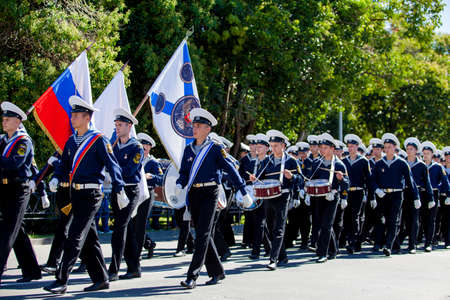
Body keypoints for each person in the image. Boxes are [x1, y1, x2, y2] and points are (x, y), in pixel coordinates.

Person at [44, 96, 125, 294]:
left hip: (91, 194)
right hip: (75, 193)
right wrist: (56, 177)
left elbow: (112, 165)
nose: (72, 118)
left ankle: (62, 279)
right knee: (89, 240)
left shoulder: (98, 140)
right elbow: (64, 165)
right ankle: (101, 278)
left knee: (74, 235)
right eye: (72, 115)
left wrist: (119, 188)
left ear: (87, 117)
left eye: (76, 116)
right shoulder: (71, 140)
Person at [176, 108, 252, 289]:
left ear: (207, 129)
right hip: (194, 194)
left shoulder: (215, 148)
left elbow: (231, 170)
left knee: (202, 234)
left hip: (211, 193)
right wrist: (179, 184)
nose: (194, 129)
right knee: (204, 233)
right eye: (194, 125)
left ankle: (191, 276)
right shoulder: (188, 150)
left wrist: (243, 190)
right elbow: (184, 173)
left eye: (199, 126)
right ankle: (217, 270)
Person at [0, 102, 42, 285]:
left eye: (8, 119)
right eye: (3, 119)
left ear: (18, 121)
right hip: (4, 188)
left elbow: (13, 165)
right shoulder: (3, 141)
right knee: (18, 230)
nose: (4, 122)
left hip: (18, 189)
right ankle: (32, 269)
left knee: (8, 230)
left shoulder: (23, 141)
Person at [250, 129, 303, 270]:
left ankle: (273, 259)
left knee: (279, 227)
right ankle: (283, 256)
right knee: (270, 226)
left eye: (276, 146)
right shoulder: (266, 161)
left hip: (283, 195)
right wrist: (255, 179)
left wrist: (292, 177)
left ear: (283, 146)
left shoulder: (291, 161)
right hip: (269, 197)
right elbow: (261, 178)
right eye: (272, 146)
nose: (273, 149)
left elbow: (301, 180)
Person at [108, 108, 144, 281]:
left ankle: (113, 269)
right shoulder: (113, 144)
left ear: (129, 126)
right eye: (116, 125)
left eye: (120, 125)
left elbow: (130, 170)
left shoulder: (137, 147)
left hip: (129, 190)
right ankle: (134, 267)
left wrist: (112, 172)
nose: (117, 128)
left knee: (119, 228)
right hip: (117, 190)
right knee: (127, 229)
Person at [371, 133, 419, 256]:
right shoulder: (379, 164)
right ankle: (385, 243)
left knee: (393, 220)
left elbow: (410, 181)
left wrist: (416, 197)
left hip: (397, 195)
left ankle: (389, 246)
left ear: (395, 148)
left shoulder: (402, 163)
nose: (387, 150)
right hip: (383, 195)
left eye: (389, 147)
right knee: (382, 221)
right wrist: (376, 190)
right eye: (385, 147)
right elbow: (372, 180)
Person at [305, 133, 348, 263]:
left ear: (332, 149)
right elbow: (310, 179)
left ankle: (322, 252)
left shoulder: (339, 165)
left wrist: (341, 180)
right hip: (318, 196)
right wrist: (307, 191)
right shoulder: (317, 162)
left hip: (332, 197)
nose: (322, 150)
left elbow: (347, 184)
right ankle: (333, 250)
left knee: (326, 224)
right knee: (320, 224)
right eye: (321, 147)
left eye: (325, 147)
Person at [393, 137, 432, 254]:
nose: (409, 151)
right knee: (401, 219)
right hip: (403, 193)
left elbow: (427, 182)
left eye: (411, 149)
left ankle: (412, 245)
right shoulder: (401, 163)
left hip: (416, 194)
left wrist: (430, 198)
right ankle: (396, 244)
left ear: (416, 151)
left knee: (414, 220)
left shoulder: (421, 165)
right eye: (407, 149)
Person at [342, 134, 372, 254]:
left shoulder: (364, 161)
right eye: (349, 146)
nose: (350, 149)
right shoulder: (344, 161)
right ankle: (351, 240)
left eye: (352, 146)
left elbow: (368, 179)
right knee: (347, 217)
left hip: (359, 192)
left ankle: (354, 242)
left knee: (355, 217)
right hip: (348, 192)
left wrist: (370, 195)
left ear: (357, 147)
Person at [134, 133, 163, 259]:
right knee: (133, 222)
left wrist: (151, 177)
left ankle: (137, 251)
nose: (143, 147)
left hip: (148, 193)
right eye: (142, 144)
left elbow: (161, 179)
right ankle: (149, 244)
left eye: (146, 145)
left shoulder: (153, 162)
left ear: (150, 147)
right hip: (135, 193)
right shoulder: (135, 158)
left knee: (140, 222)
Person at [420, 141, 449, 252]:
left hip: (434, 193)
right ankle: (426, 239)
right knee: (423, 219)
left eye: (428, 153)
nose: (426, 155)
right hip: (422, 193)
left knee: (432, 219)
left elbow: (445, 182)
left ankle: (429, 243)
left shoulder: (438, 167)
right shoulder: (420, 165)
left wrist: (448, 195)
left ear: (432, 154)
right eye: (424, 153)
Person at [248, 133, 272, 259]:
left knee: (260, 223)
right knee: (260, 223)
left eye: (260, 146)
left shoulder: (270, 161)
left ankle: (255, 251)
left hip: (266, 195)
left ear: (267, 148)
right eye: (256, 146)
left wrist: (258, 179)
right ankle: (269, 248)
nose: (257, 148)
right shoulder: (254, 162)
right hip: (256, 194)